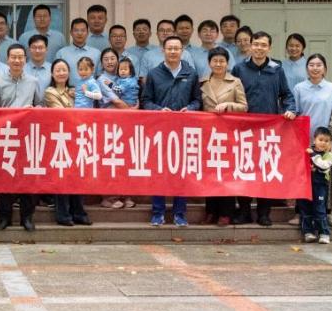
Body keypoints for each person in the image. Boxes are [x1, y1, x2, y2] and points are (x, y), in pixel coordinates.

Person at [232, 31, 297, 227]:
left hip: (269, 130)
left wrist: (290, 109)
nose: (259, 48)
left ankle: (264, 213)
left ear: (269, 48)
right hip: (243, 128)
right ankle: (244, 212)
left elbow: (287, 95)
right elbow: (230, 94)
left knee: (265, 170)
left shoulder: (277, 70)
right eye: (256, 44)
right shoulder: (239, 68)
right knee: (244, 169)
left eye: (263, 45)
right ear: (250, 45)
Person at [141, 36, 202, 227]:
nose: (173, 52)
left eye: (177, 48)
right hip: (159, 130)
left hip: (184, 131)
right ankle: (158, 212)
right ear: (163, 51)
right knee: (159, 172)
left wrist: (190, 108)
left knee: (181, 173)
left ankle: (179, 213)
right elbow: (145, 101)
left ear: (182, 51)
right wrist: (159, 110)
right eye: (170, 48)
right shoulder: (154, 74)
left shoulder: (191, 74)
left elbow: (198, 100)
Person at [0, 44, 43, 232]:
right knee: (5, 176)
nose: (17, 60)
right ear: (7, 59)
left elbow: (40, 105)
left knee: (27, 177)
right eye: (13, 57)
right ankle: (4, 217)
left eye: (20, 57)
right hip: (6, 135)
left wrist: (34, 110)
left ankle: (27, 217)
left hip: (27, 135)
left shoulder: (33, 81)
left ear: (25, 60)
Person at [293, 53, 332, 228]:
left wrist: (331, 140)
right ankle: (300, 213)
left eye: (319, 65)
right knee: (304, 178)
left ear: (325, 68)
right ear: (306, 68)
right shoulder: (299, 88)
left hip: (325, 142)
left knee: (327, 179)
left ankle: (327, 213)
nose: (315, 68)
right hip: (305, 142)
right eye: (311, 65)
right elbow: (295, 113)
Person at [199, 47, 248, 226]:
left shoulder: (235, 82)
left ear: (227, 63)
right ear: (209, 63)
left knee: (226, 174)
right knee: (209, 173)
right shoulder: (202, 82)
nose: (218, 64)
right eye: (215, 61)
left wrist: (228, 105)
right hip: (208, 134)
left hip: (228, 135)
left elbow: (244, 106)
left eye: (222, 61)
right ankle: (210, 211)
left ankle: (226, 212)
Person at [46, 59, 91, 227]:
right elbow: (61, 112)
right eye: (57, 70)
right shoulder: (50, 92)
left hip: (78, 137)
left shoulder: (76, 90)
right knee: (62, 177)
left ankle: (79, 212)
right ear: (52, 74)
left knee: (78, 176)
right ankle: (63, 214)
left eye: (64, 69)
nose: (61, 73)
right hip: (60, 138)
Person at [101, 58, 139, 210]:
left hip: (127, 122)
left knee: (127, 159)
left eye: (125, 69)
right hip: (111, 124)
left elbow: (119, 92)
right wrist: (131, 110)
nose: (122, 71)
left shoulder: (128, 81)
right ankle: (111, 197)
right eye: (121, 69)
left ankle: (125, 195)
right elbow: (115, 100)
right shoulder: (102, 79)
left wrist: (132, 109)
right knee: (112, 160)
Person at [302, 127, 332, 244]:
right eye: (320, 140)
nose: (323, 143)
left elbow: (323, 165)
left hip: (320, 186)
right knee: (305, 208)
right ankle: (308, 232)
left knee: (320, 208)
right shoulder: (307, 150)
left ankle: (324, 233)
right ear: (314, 139)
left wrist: (313, 155)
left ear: (330, 143)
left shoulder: (329, 156)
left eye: (326, 141)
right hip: (306, 184)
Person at [57, 18, 101, 86]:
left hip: (90, 91)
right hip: (67, 91)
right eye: (76, 30)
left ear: (87, 33)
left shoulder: (97, 53)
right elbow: (56, 77)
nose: (79, 33)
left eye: (83, 30)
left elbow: (99, 77)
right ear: (71, 33)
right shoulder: (61, 53)